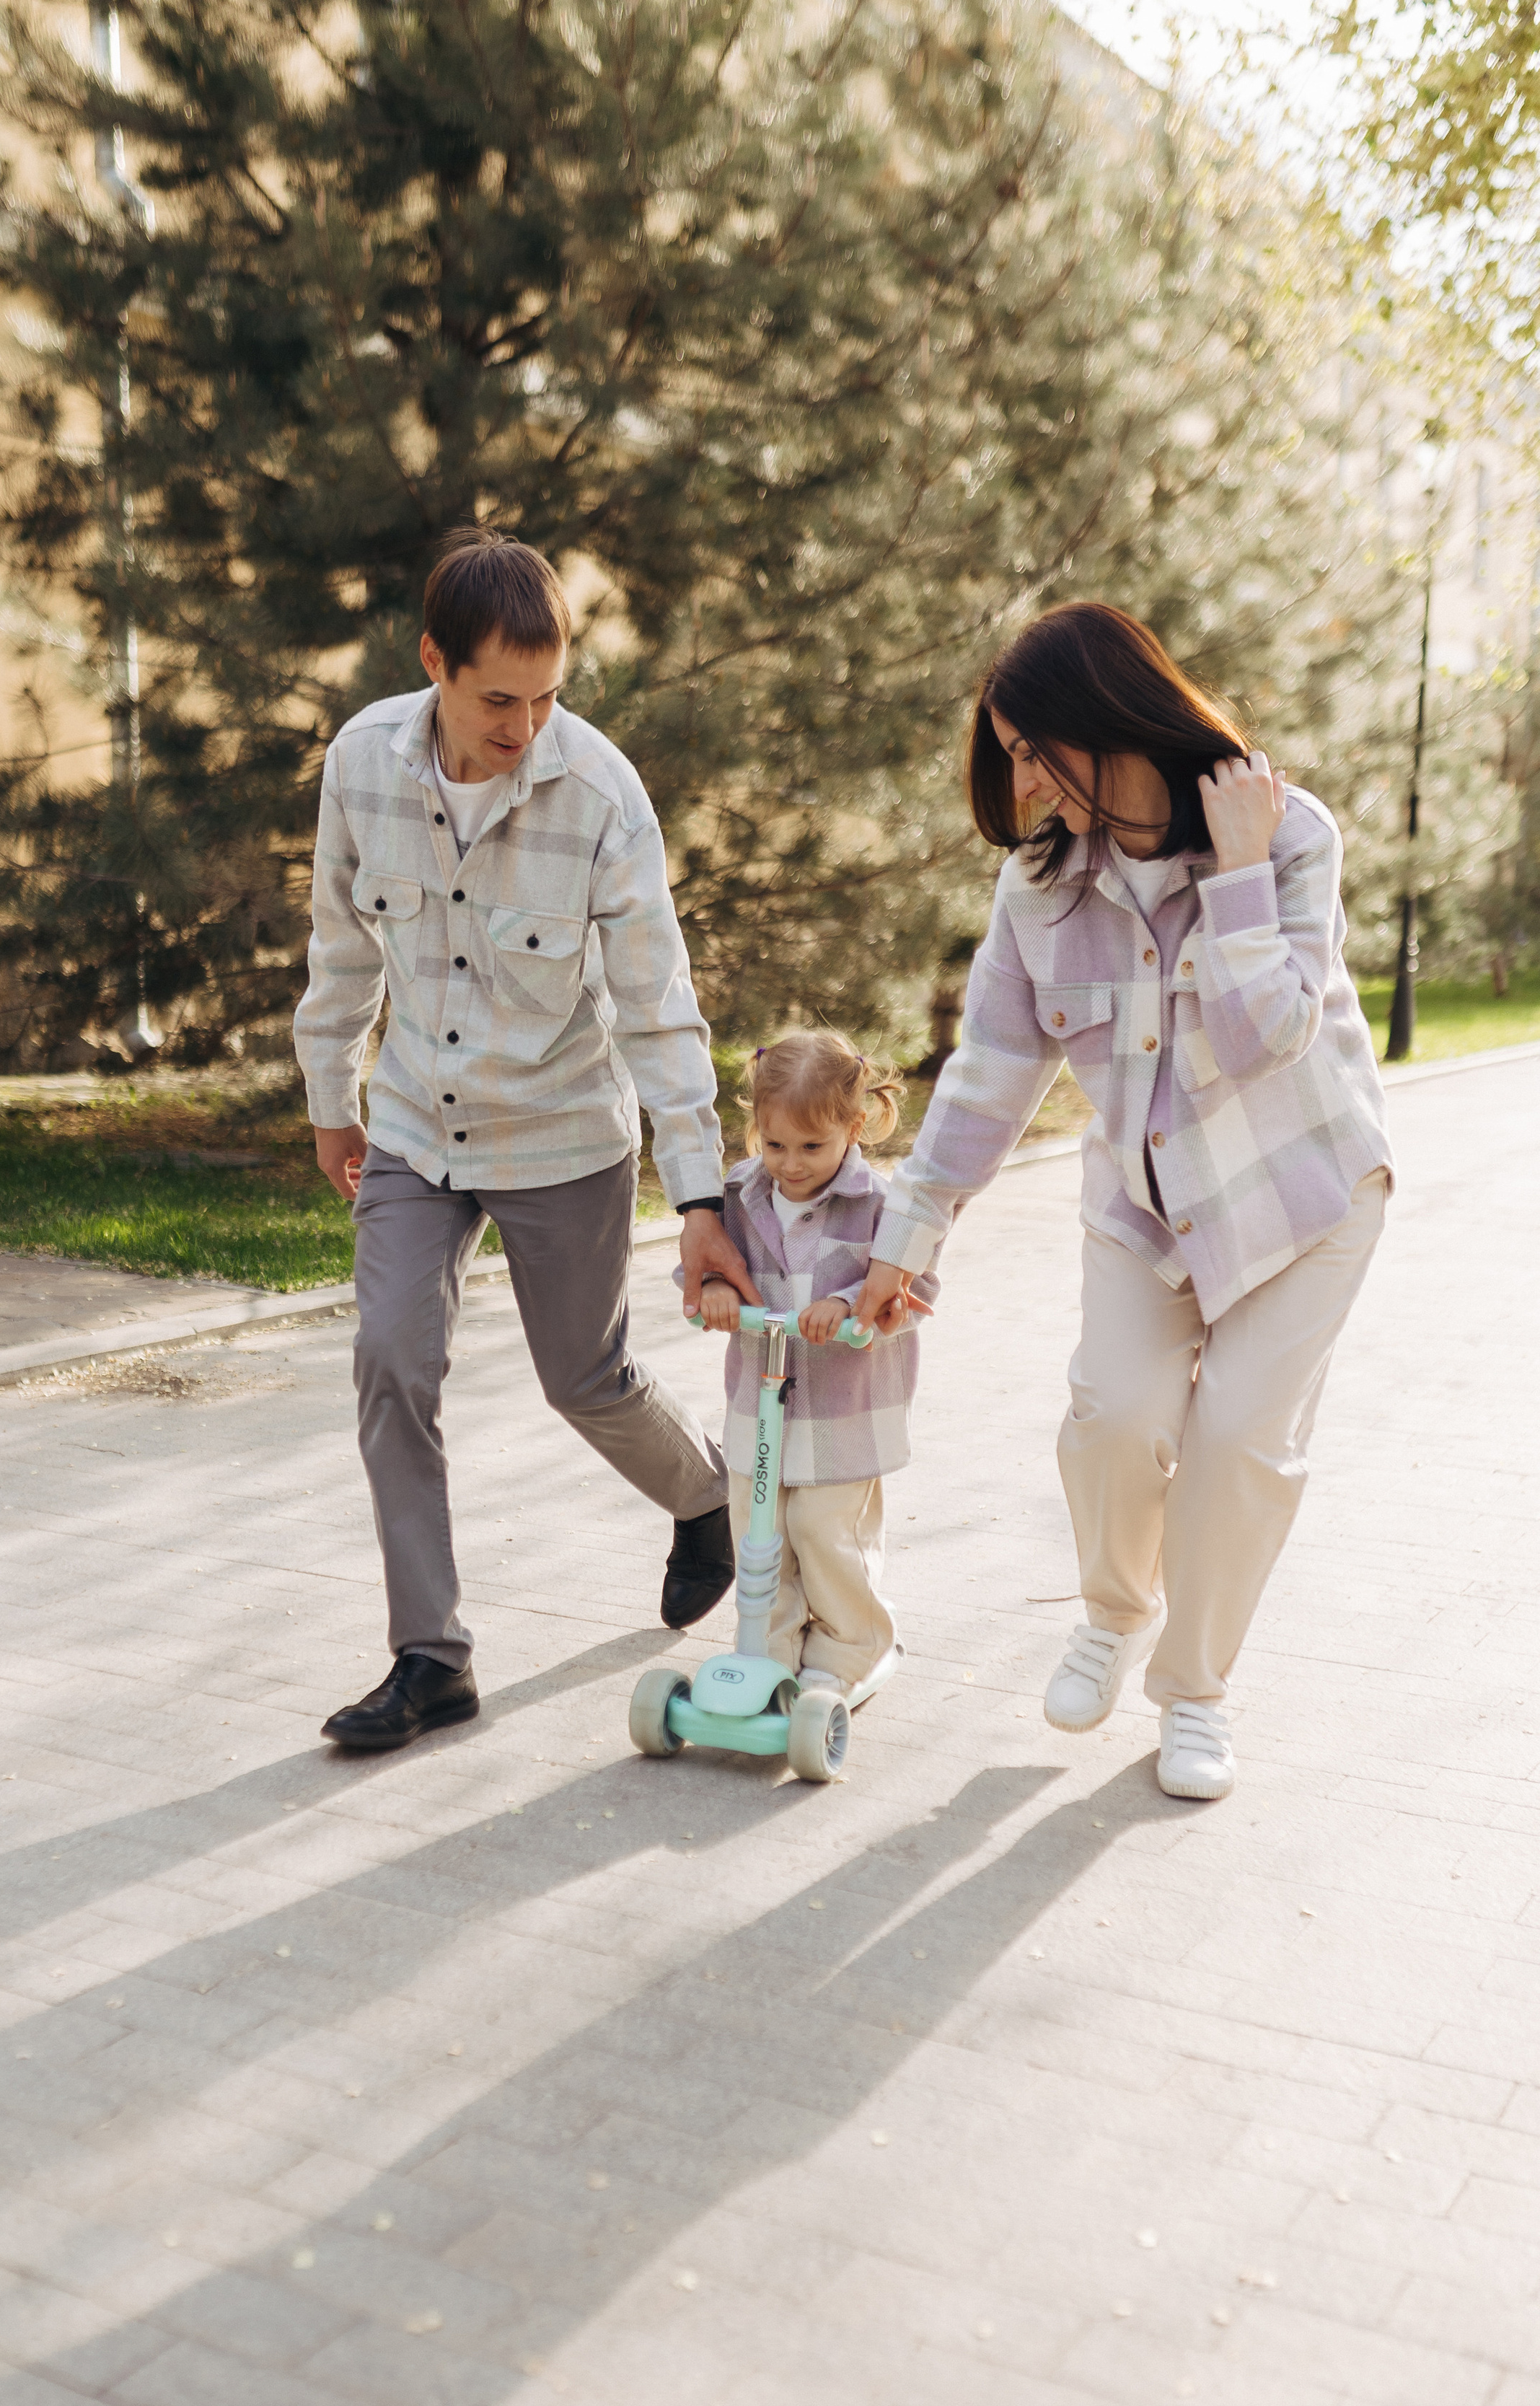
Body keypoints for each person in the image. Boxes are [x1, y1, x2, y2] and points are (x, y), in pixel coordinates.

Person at [852, 602, 1394, 1801]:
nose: (1027, 786)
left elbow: (1268, 1038)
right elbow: (990, 1075)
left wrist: (1241, 872)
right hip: (1147, 1210)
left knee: (1239, 1446)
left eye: (1037, 753)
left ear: (1103, 719)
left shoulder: (1286, 833)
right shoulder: (1041, 886)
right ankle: (1113, 1611)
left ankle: (1193, 1694)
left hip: (1300, 1202)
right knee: (1115, 1418)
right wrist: (911, 1237)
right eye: (1012, 762)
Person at [298, 528, 759, 1752]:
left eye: (547, 697)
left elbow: (660, 1008)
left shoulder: (600, 796)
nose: (523, 728)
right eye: (498, 699)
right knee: (393, 1358)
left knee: (582, 1376)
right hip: (411, 1126)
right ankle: (429, 1656)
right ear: (433, 666)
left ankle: (706, 1492)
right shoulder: (360, 764)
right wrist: (329, 1094)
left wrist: (701, 1196)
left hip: (562, 1134)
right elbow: (343, 947)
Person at [690, 1033, 923, 1697]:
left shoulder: (884, 1202)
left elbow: (917, 1284)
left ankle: (855, 1643)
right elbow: (705, 1261)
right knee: (759, 1529)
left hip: (843, 1408)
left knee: (824, 1531)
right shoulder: (739, 1192)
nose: (790, 1164)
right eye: (775, 1144)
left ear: (855, 1127)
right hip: (758, 1404)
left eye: (812, 1147)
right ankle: (769, 1651)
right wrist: (716, 1291)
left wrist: (849, 1303)